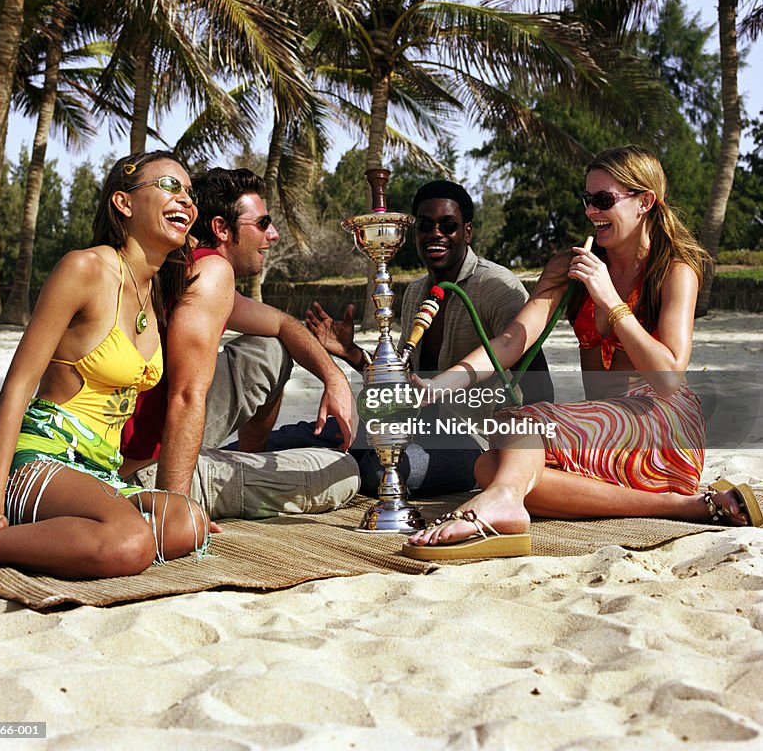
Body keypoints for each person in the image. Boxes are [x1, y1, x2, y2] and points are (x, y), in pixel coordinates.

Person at [405, 146, 762, 560]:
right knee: (491, 466)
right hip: (604, 434)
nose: (592, 212)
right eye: (588, 200)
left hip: (664, 425)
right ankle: (684, 506)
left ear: (645, 202)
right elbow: (511, 340)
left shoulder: (675, 269)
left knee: (523, 426)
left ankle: (504, 501)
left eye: (605, 200)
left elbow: (668, 376)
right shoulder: (570, 266)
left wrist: (610, 299)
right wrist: (441, 384)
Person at [0, 151, 214, 577]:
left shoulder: (155, 291)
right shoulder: (85, 268)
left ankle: (16, 537)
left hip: (100, 472)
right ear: (124, 203)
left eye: (190, 193)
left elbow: (233, 306)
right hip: (40, 459)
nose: (187, 200)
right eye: (170, 186)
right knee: (130, 543)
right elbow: (17, 386)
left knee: (187, 521)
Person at [120, 167, 359, 519]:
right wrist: (174, 513)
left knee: (271, 348)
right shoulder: (213, 271)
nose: (273, 234)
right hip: (149, 475)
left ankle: (245, 464)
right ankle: (226, 479)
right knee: (343, 471)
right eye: (263, 224)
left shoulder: (184, 265)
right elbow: (185, 397)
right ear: (221, 229)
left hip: (129, 447)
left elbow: (283, 324)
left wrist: (334, 377)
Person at [305, 179, 553, 495]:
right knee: (314, 432)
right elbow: (406, 383)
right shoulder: (414, 293)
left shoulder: (497, 288)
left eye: (448, 226)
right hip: (415, 426)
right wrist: (352, 352)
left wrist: (517, 460)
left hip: (473, 441)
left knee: (380, 469)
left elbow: (540, 385)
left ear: (467, 232)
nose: (436, 234)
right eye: (425, 226)